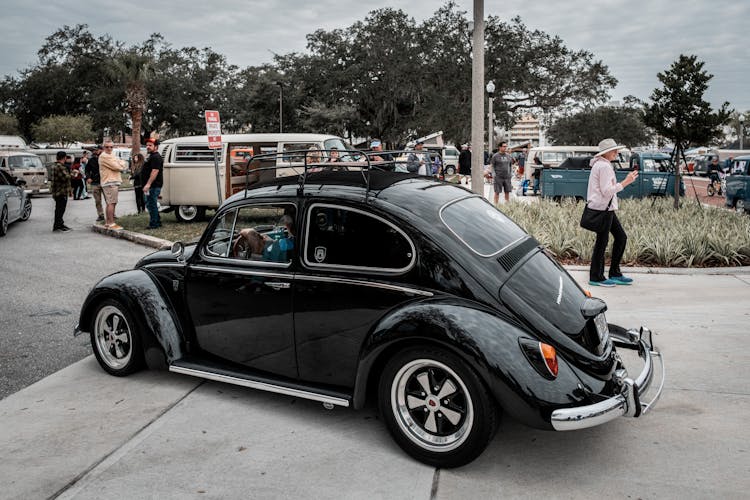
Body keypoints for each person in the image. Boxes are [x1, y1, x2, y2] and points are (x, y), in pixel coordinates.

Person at [586, 138, 639, 287]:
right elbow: (607, 191)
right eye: (614, 151)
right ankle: (597, 277)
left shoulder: (600, 165)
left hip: (604, 208)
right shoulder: (604, 167)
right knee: (604, 242)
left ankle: (613, 273)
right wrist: (626, 182)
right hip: (604, 209)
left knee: (619, 238)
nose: (617, 153)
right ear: (607, 152)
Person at [98, 140, 127, 230]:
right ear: (103, 147)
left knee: (111, 202)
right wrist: (121, 163)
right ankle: (111, 223)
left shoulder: (111, 155)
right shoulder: (104, 156)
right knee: (111, 203)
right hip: (110, 182)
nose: (109, 148)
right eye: (107, 147)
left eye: (111, 147)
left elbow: (120, 163)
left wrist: (120, 163)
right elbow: (118, 166)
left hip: (112, 181)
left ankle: (108, 222)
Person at [141, 139, 164, 229]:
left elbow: (155, 171)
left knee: (151, 204)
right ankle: (157, 221)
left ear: (156, 147)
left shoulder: (156, 157)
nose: (148, 147)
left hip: (153, 186)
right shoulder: (151, 156)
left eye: (150, 145)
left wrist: (148, 184)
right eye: (147, 145)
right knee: (151, 203)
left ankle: (154, 224)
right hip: (151, 185)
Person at [49, 151, 72, 232]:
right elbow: (65, 178)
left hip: (56, 190)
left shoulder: (54, 165)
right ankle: (58, 226)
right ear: (64, 157)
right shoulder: (60, 167)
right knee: (60, 209)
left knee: (59, 209)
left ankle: (60, 224)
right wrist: (73, 174)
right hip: (61, 191)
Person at [85, 145, 105, 222]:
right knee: (97, 201)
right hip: (95, 182)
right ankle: (101, 215)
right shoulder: (91, 160)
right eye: (95, 150)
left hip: (105, 181)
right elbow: (87, 170)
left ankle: (112, 214)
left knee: (109, 200)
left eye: (98, 150)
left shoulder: (105, 158)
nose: (96, 151)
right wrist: (88, 177)